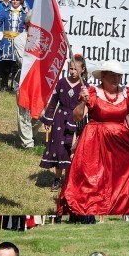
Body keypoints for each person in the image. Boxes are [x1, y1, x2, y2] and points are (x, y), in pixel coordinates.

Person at [58, 59, 129, 215]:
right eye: (112, 75)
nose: (116, 79)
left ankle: (118, 208)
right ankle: (93, 209)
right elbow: (77, 117)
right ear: (103, 76)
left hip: (120, 142)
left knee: (120, 177)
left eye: (118, 76)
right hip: (95, 142)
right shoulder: (93, 93)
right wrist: (83, 102)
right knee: (94, 180)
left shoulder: (126, 94)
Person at [40, 56, 87, 192]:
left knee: (72, 150)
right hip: (60, 118)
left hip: (77, 120)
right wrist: (48, 119)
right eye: (70, 69)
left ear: (82, 70)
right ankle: (57, 178)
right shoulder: (62, 83)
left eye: (75, 70)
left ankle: (69, 180)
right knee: (59, 148)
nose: (72, 72)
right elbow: (53, 102)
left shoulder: (85, 87)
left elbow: (89, 106)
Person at [0, 0, 27, 92]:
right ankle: (4, 84)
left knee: (16, 65)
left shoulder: (25, 14)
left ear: (20, 2)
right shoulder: (5, 12)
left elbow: (28, 27)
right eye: (13, 0)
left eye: (17, 0)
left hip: (18, 42)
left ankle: (14, 86)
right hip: (6, 41)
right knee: (5, 64)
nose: (15, 2)